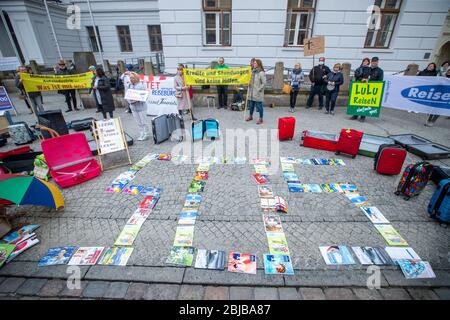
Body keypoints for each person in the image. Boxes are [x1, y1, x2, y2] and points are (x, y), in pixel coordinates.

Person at [351, 57, 384, 122]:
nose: (374, 63)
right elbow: (359, 76)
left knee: (366, 103)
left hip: (371, 89)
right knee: (359, 101)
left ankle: (363, 116)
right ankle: (355, 115)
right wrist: (362, 79)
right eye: (373, 62)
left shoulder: (380, 71)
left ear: (377, 62)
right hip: (362, 88)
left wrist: (370, 81)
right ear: (371, 62)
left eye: (376, 62)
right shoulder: (366, 69)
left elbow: (380, 81)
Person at [126, 72, 150, 141]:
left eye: (133, 78)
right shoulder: (129, 86)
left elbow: (144, 96)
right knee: (138, 122)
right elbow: (127, 95)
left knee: (144, 122)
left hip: (141, 107)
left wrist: (138, 100)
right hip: (133, 107)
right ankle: (141, 133)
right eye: (130, 78)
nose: (131, 79)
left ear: (136, 78)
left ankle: (146, 134)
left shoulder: (140, 86)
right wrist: (130, 101)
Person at [246, 59, 266, 125]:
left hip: (258, 93)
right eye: (253, 63)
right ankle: (250, 116)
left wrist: (259, 90)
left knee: (259, 106)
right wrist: (249, 83)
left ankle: (261, 118)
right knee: (251, 105)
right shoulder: (252, 71)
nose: (253, 64)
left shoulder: (261, 72)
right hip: (251, 92)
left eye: (254, 63)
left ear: (258, 64)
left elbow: (264, 83)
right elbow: (251, 80)